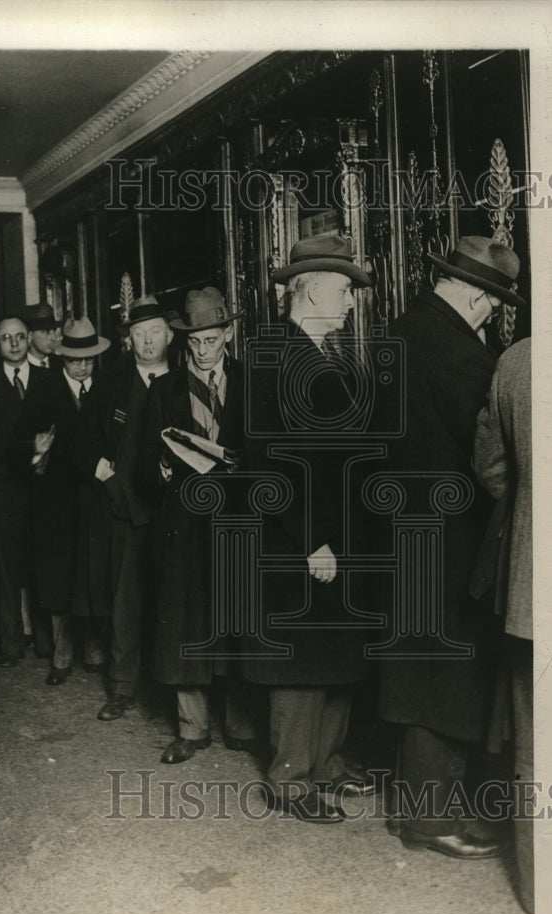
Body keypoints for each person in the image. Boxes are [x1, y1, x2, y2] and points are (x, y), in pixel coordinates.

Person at [376, 235, 524, 858]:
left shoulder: (398, 332)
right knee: (447, 681)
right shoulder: (464, 356)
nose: (493, 313)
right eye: (492, 300)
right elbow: (489, 458)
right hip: (452, 540)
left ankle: (422, 809)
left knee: (421, 675)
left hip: (401, 531)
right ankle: (431, 821)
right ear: (470, 292)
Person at [242, 234, 375, 823]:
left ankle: (328, 762)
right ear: (314, 288)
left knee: (334, 648)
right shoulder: (273, 356)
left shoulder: (323, 353)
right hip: (302, 539)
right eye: (345, 289)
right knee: (300, 657)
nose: (350, 301)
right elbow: (269, 464)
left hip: (334, 533)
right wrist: (311, 540)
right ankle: (291, 778)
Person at [144, 287, 259, 764]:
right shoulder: (164, 389)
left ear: (228, 333)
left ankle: (241, 723)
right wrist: (162, 468)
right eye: (194, 342)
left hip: (236, 517)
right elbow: (147, 455)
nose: (203, 350)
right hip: (186, 520)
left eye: (212, 340)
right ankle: (192, 727)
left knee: (236, 617)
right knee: (186, 622)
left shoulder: (252, 382)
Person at [84, 295, 174, 721]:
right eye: (139, 334)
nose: (148, 340)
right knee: (126, 601)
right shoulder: (112, 385)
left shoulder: (184, 379)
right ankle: (122, 688)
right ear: (129, 341)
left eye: (155, 331)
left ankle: (176, 692)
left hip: (176, 512)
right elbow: (82, 441)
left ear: (170, 335)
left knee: (173, 602)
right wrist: (106, 476)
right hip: (126, 509)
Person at [10, 316, 110, 685]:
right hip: (56, 503)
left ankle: (95, 647)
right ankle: (63, 654)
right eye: (74, 360)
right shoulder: (43, 390)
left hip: (97, 498)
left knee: (95, 574)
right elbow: (16, 445)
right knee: (60, 580)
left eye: (88, 360)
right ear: (61, 359)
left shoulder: (106, 387)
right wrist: (34, 450)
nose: (82, 367)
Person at [473, 337, 533, 912]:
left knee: (536, 743)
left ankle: (540, 890)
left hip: (532, 585)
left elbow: (490, 466)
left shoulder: (516, 361)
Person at [0, 316, 49, 668]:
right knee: (6, 569)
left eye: (19, 337)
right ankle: (11, 644)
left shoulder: (46, 380)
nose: (14, 344)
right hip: (1, 487)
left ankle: (46, 641)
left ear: (29, 338)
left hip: (39, 485)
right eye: (6, 338)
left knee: (40, 562)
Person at [24, 303, 61, 369]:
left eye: (54, 331)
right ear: (30, 335)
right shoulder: (20, 367)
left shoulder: (62, 366)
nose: (53, 338)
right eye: (45, 331)